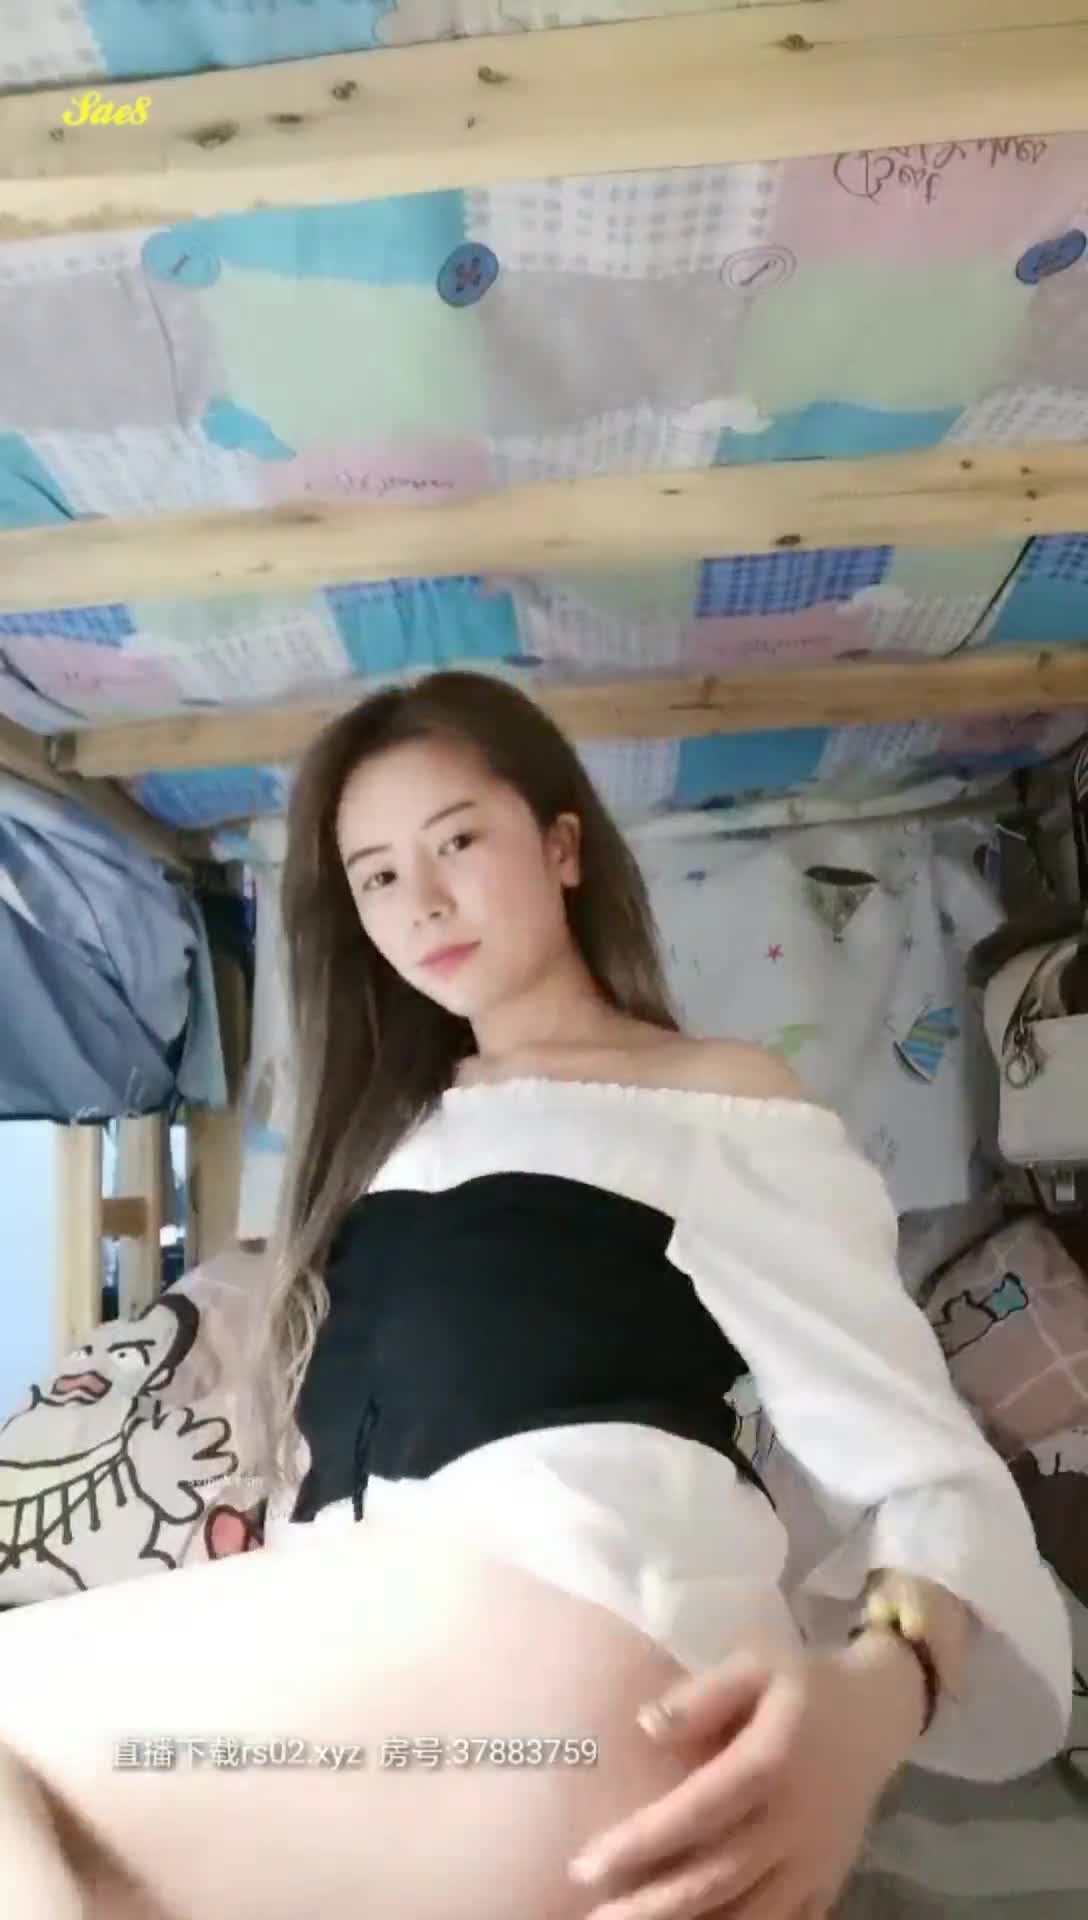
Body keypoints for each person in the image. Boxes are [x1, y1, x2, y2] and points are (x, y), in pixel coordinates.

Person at [0, 669, 1072, 1920]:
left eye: (457, 842)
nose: (423, 901)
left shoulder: (714, 1098)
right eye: (377, 876)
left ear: (561, 846)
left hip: (562, 1659)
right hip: (392, 1718)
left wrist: (875, 1699)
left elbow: (926, 1470)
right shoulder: (383, 1143)